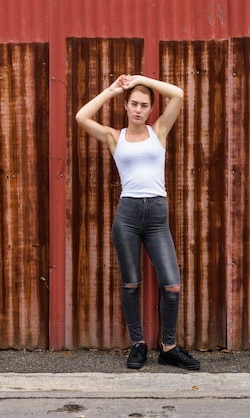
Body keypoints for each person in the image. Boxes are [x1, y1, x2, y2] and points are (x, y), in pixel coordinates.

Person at [75, 74, 200, 370]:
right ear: (126, 105)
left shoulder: (159, 131)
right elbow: (81, 116)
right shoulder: (113, 137)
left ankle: (169, 347)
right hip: (128, 216)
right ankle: (138, 344)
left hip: (157, 215)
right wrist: (112, 89)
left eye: (144, 105)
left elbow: (179, 94)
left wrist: (142, 79)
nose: (138, 109)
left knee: (171, 285)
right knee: (130, 284)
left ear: (150, 109)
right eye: (134, 103)